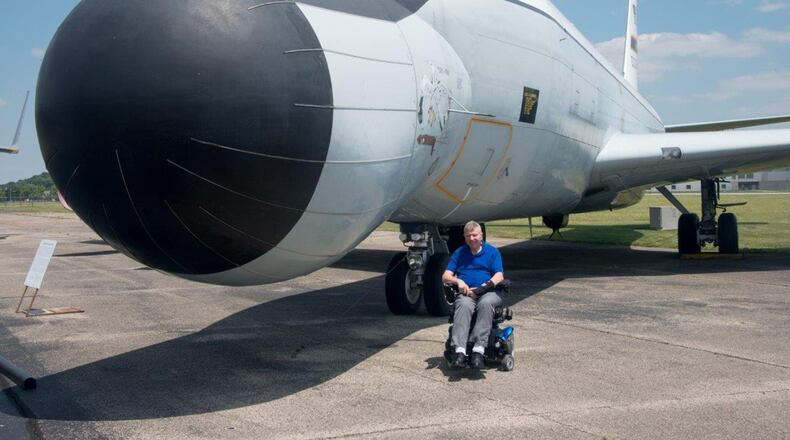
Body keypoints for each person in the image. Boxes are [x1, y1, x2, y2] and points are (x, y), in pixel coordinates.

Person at [442, 221, 504, 369]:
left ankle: (479, 349)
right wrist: (458, 281)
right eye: (468, 236)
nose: (471, 238)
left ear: (481, 235)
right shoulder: (460, 252)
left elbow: (499, 276)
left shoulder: (492, 252)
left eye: (474, 235)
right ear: (464, 237)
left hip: (488, 292)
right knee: (463, 304)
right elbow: (445, 276)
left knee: (485, 303)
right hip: (467, 293)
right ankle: (460, 351)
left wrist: (481, 289)